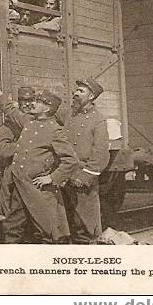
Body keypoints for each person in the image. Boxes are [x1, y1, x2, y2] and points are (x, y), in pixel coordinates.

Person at [0, 84, 79, 243]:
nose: (33, 104)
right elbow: (11, 110)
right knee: (12, 226)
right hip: (21, 184)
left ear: (47, 109)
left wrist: (52, 178)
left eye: (38, 102)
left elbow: (71, 160)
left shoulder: (55, 130)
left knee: (46, 230)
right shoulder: (29, 121)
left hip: (38, 189)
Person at [57, 78, 110, 244]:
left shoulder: (98, 120)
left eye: (81, 91)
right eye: (76, 90)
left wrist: (84, 178)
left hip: (82, 180)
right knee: (65, 225)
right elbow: (49, 107)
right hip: (65, 177)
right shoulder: (69, 114)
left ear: (91, 96)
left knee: (84, 227)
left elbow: (101, 154)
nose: (75, 93)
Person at [0, 86, 35, 243]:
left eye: (30, 100)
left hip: (32, 174)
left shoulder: (37, 119)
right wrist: (25, 146)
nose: (27, 104)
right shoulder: (10, 124)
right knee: (11, 214)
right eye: (23, 100)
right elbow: (2, 150)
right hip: (13, 174)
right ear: (18, 102)